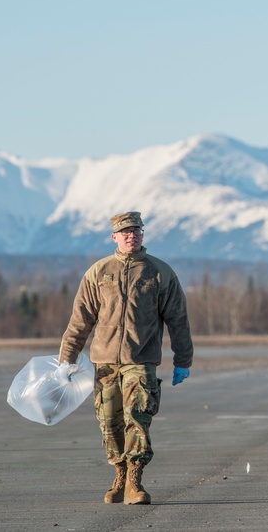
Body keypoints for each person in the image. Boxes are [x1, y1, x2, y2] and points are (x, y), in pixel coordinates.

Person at [57, 211, 194, 505]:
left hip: (140, 360)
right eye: (126, 232)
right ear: (114, 237)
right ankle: (118, 473)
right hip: (104, 363)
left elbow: (178, 320)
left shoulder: (159, 272)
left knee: (137, 417)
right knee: (109, 422)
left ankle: (135, 479)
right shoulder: (98, 272)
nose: (132, 235)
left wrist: (183, 359)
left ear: (143, 235)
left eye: (137, 231)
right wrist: (66, 359)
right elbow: (80, 320)